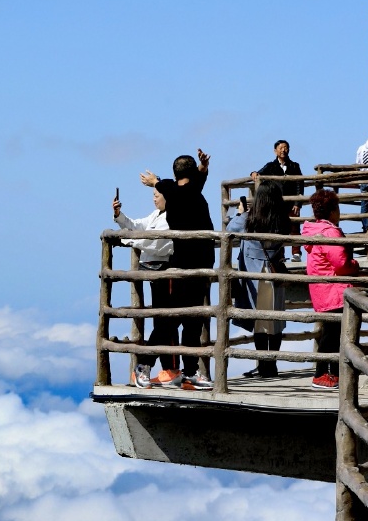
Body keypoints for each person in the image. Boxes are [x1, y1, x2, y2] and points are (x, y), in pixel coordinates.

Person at [140, 149, 214, 391]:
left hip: (196, 266)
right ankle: (143, 365)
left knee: (193, 320)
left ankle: (190, 373)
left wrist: (156, 181)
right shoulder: (182, 192)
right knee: (170, 321)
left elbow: (183, 183)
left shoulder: (180, 190)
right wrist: (157, 182)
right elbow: (177, 186)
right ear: (191, 174)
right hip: (185, 267)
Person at [113, 187, 174, 389]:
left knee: (165, 321)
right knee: (164, 320)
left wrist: (127, 239)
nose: (154, 200)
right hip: (155, 271)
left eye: (157, 196)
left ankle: (146, 366)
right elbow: (138, 225)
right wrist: (119, 216)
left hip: (166, 270)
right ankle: (170, 369)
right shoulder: (158, 214)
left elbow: (156, 243)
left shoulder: (171, 217)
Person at [302, 188, 360, 389]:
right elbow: (341, 265)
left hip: (322, 289)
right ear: (332, 210)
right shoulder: (330, 233)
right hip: (334, 289)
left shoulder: (314, 231)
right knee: (333, 335)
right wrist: (355, 265)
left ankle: (331, 373)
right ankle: (322, 375)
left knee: (330, 333)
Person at [227, 182, 287, 378]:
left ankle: (262, 365)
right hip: (274, 273)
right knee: (275, 321)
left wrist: (240, 212)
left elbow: (230, 228)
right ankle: (272, 365)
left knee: (259, 322)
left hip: (254, 276)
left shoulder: (248, 219)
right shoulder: (282, 220)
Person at [250, 140, 303, 257]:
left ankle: (296, 253)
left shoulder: (294, 166)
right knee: (278, 228)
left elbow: (300, 184)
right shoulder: (271, 166)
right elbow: (259, 173)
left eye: (285, 148)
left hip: (291, 202)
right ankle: (280, 254)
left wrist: (298, 203)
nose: (283, 150)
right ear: (275, 151)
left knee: (295, 227)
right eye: (281, 148)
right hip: (276, 203)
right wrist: (253, 173)